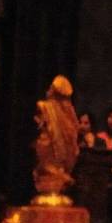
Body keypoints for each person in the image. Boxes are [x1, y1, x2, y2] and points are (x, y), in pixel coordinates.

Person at [31, 75, 81, 203]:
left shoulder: (68, 114)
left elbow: (73, 135)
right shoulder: (44, 107)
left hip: (61, 157)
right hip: (49, 151)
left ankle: (60, 176)